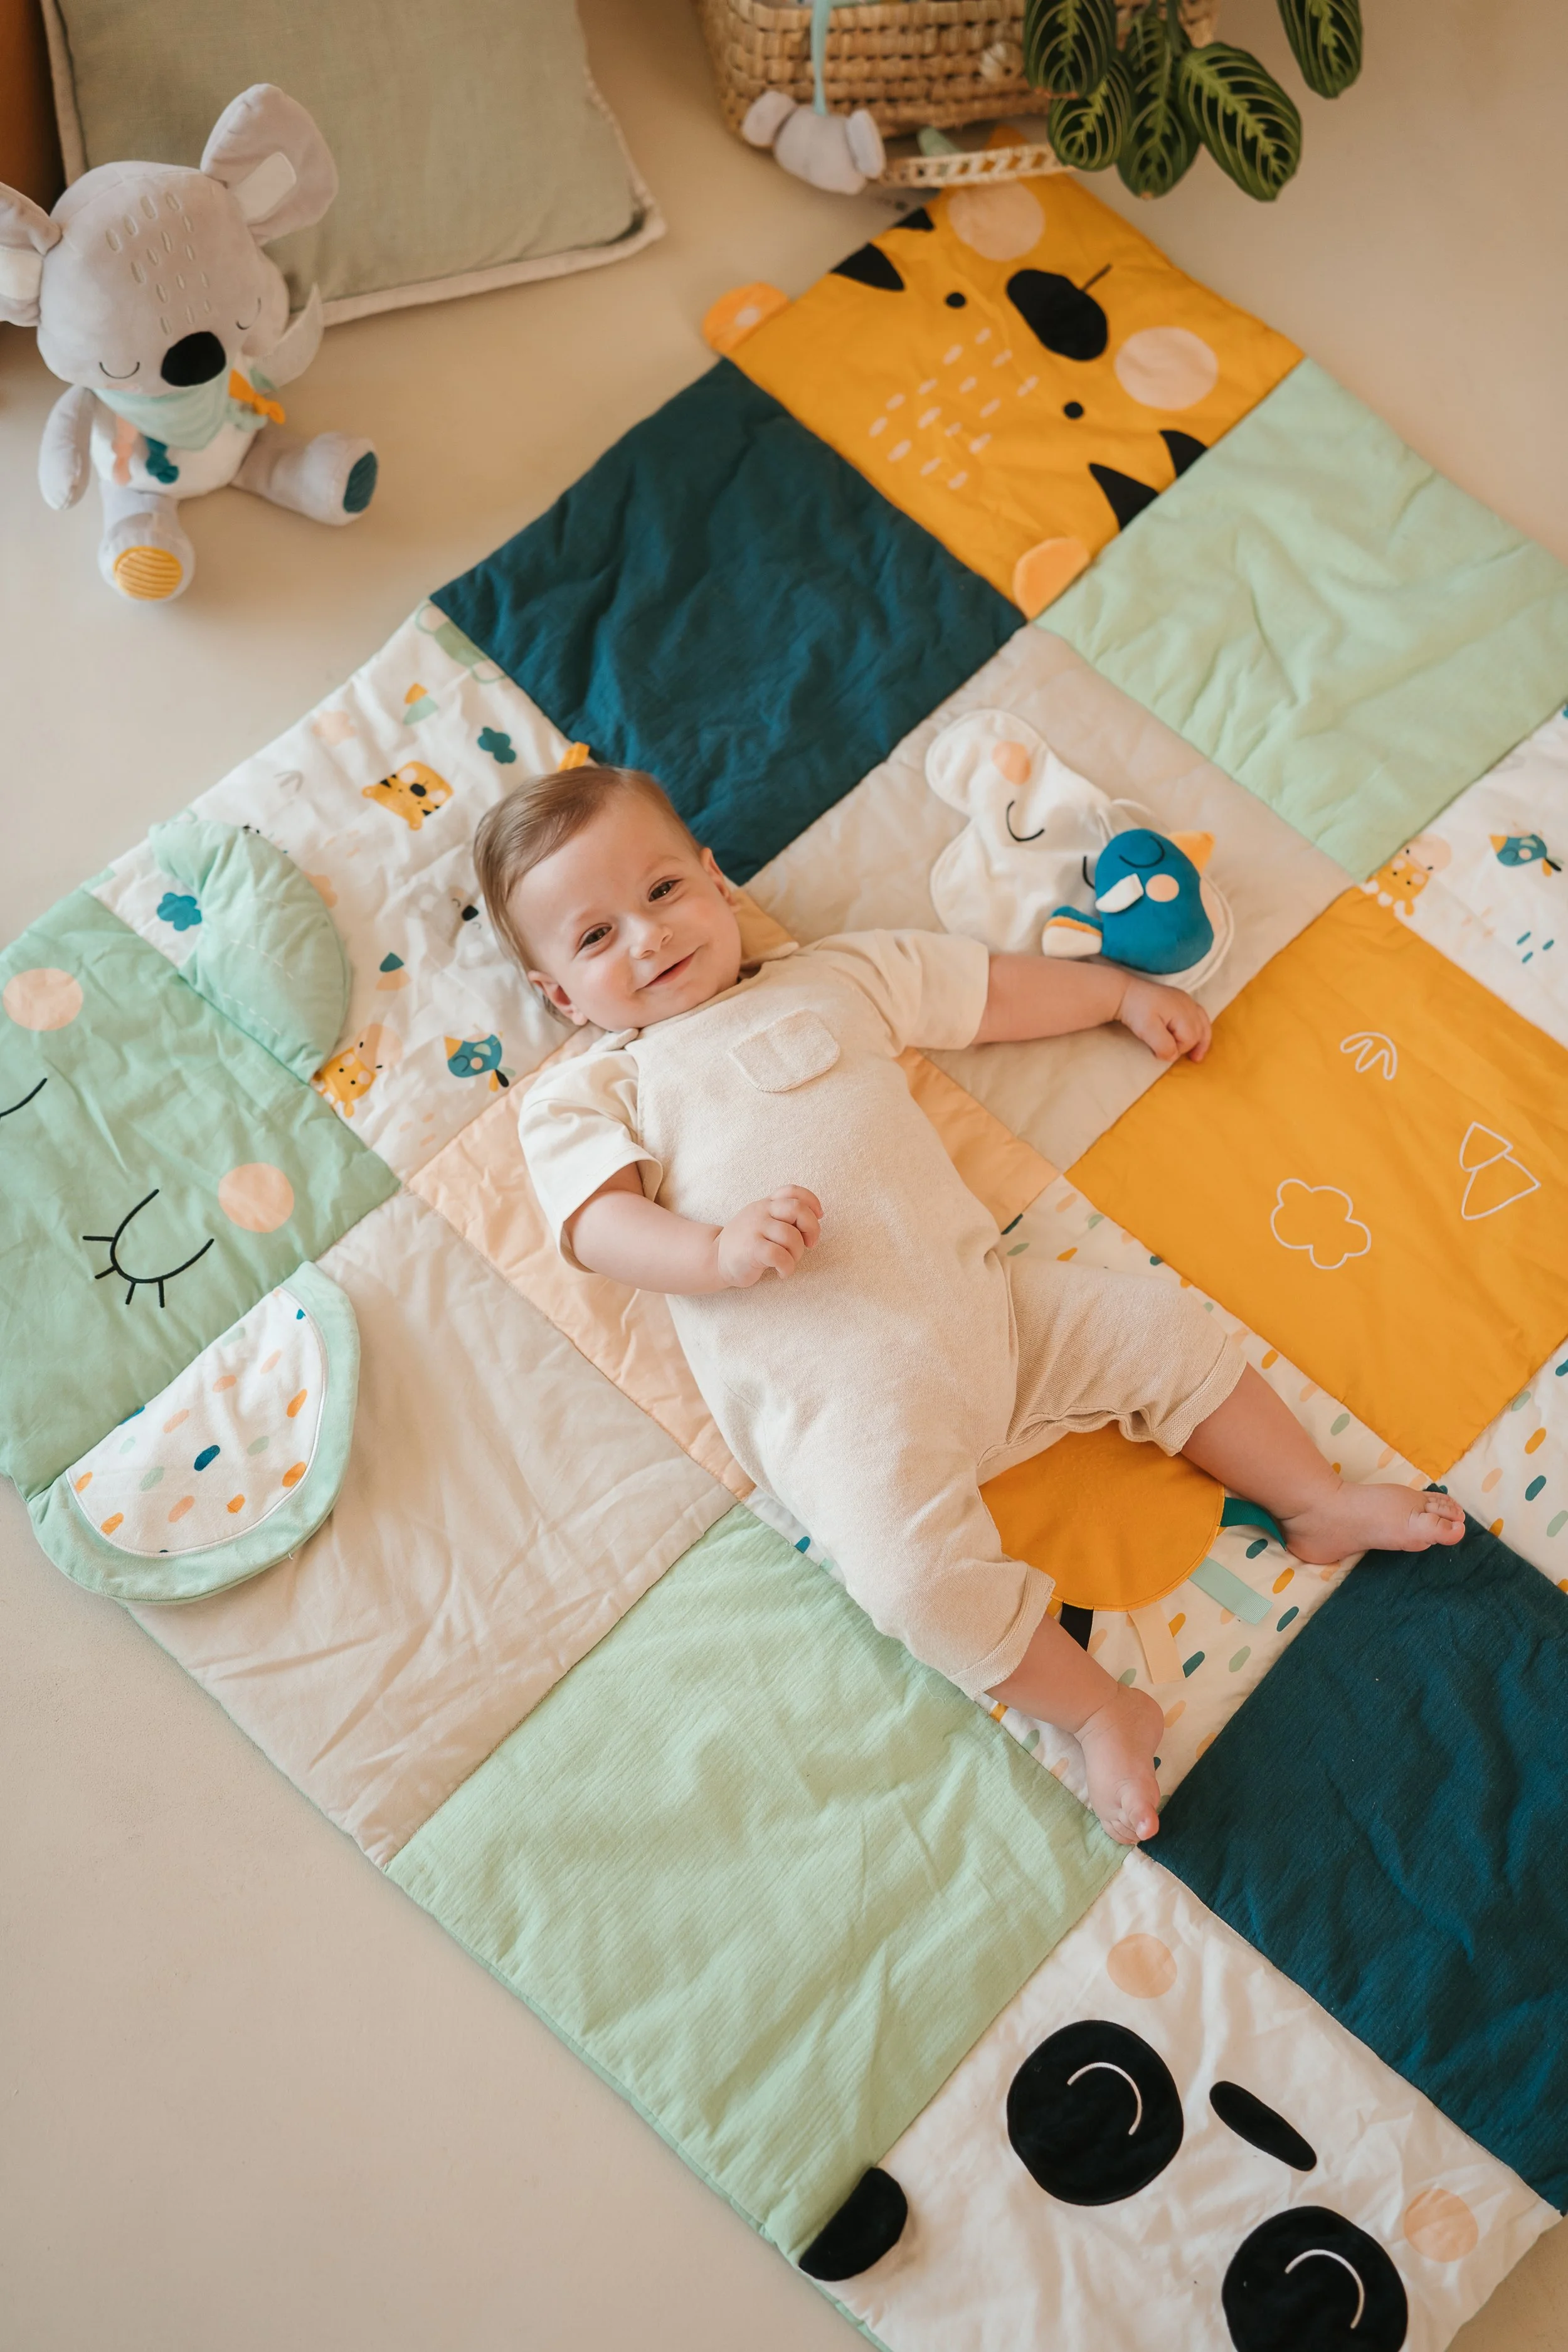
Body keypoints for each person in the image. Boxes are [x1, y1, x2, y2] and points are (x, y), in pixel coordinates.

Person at [479, 763, 1464, 1844]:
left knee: (1163, 1332)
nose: (649, 936)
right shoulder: (594, 1091)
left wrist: (1119, 996)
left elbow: (986, 992)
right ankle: (1097, 1708)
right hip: (846, 1418)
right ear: (559, 996)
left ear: (716, 880)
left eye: (664, 890)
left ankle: (1314, 1500)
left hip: (995, 1317)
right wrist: (713, 1250)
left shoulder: (833, 976)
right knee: (909, 1583)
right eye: (596, 937)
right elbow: (597, 1222)